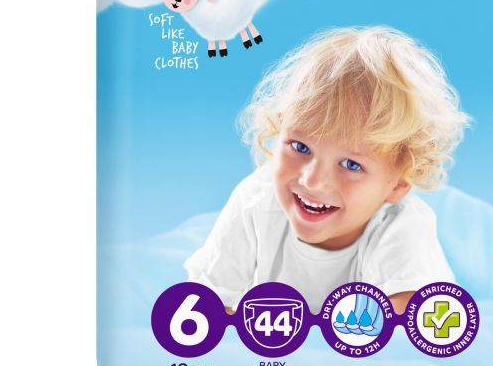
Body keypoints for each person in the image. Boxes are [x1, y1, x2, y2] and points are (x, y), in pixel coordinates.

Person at [184, 26, 469, 313]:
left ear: (398, 184)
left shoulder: (402, 227)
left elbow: (404, 321)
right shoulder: (256, 201)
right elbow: (207, 302)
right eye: (300, 147)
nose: (312, 180)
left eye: (351, 165)